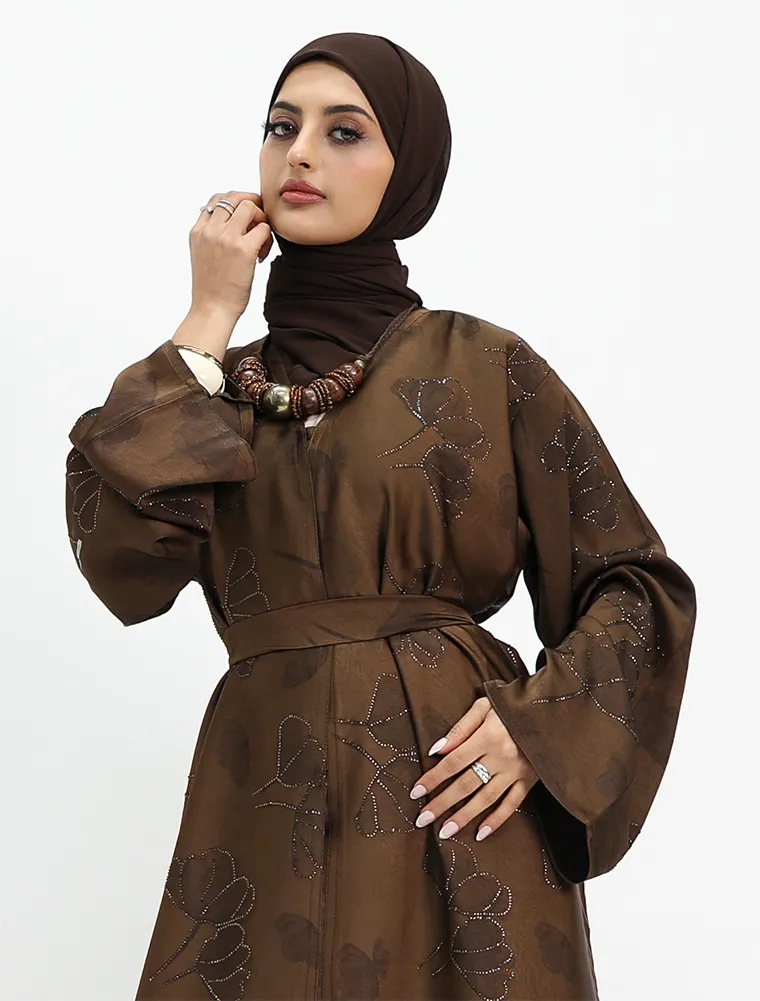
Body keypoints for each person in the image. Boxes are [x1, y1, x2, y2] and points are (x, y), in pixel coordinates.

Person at [64, 31, 697, 1001]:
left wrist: (538, 726)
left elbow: (636, 583)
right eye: (281, 127)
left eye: (344, 131)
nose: (299, 154)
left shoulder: (483, 364)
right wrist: (207, 317)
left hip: (454, 813)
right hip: (263, 807)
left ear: (409, 168)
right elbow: (122, 563)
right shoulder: (218, 391)